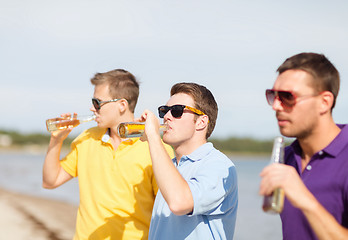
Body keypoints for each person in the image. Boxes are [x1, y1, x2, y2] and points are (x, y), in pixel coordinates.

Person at [42, 69, 174, 240]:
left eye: (97, 102)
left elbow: (169, 212)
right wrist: (56, 140)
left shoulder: (156, 148)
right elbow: (50, 181)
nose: (92, 108)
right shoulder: (87, 138)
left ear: (122, 105)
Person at [259, 52, 348, 240]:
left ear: (324, 102)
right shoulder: (287, 157)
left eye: (287, 97)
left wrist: (304, 199)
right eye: (273, 95)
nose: (276, 105)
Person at [138, 82, 238, 240]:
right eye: (164, 111)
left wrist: (153, 137)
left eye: (177, 111)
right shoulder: (170, 166)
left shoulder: (218, 165)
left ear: (201, 122)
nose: (166, 117)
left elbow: (180, 203)